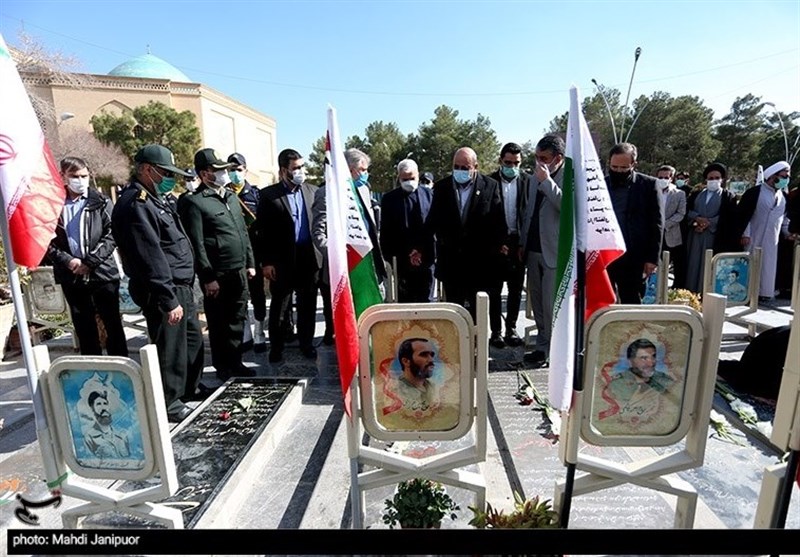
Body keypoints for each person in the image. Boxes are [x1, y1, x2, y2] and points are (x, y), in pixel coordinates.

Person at [112, 144, 203, 423]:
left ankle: (190, 388)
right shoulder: (136, 203)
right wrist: (167, 298)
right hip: (164, 289)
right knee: (170, 348)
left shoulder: (155, 198)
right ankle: (170, 402)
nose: (170, 178)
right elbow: (149, 255)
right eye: (165, 172)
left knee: (190, 341)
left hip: (181, 285)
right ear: (146, 170)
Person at [179, 148, 256, 380]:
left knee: (237, 318)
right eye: (218, 170)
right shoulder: (195, 202)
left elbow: (242, 233)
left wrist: (250, 262)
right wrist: (208, 278)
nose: (224, 173)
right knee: (219, 322)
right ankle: (223, 367)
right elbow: (197, 243)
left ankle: (236, 362)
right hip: (217, 274)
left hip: (239, 270)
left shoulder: (230, 197)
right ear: (205, 174)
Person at [45, 156, 128, 357]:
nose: (80, 181)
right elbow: (45, 239)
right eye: (75, 176)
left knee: (112, 324)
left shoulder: (100, 201)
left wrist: (90, 262)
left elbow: (113, 233)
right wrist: (68, 261)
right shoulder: (53, 204)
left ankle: (121, 367)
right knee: (84, 326)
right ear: (63, 176)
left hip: (102, 273)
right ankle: (93, 366)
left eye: (84, 176)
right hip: (71, 275)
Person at [312, 148, 387, 345]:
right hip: (344, 270)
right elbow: (319, 234)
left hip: (368, 266)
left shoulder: (364, 189)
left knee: (372, 316)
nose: (365, 174)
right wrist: (338, 256)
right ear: (349, 170)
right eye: (362, 170)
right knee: (347, 326)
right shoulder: (326, 193)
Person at [427, 147, 506, 322]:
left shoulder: (490, 186)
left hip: (480, 264)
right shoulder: (442, 187)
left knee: (477, 315)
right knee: (454, 315)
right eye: (456, 166)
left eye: (465, 167)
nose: (460, 171)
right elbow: (433, 222)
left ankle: (476, 340)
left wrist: (496, 249)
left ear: (475, 167)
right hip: (451, 264)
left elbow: (498, 222)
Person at [257, 148, 321, 363]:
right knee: (280, 306)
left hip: (309, 257)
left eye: (302, 166)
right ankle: (276, 347)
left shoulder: (312, 191)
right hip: (281, 260)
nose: (300, 171)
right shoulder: (269, 195)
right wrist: (267, 262)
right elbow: (263, 232)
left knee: (307, 304)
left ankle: (306, 344)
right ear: (284, 170)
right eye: (295, 168)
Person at [519, 135, 564, 368]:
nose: (539, 162)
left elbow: (567, 207)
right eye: (536, 157)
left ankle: (554, 349)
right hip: (533, 249)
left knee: (550, 304)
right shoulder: (533, 178)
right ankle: (541, 347)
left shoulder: (570, 177)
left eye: (544, 158)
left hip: (554, 252)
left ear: (558, 158)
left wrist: (547, 182)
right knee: (536, 302)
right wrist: (523, 243)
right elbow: (529, 211)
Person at [604, 143, 663, 304]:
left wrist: (652, 259)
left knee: (632, 301)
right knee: (604, 303)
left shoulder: (649, 185)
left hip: (634, 257)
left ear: (633, 164)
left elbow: (657, 224)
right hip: (606, 255)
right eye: (614, 167)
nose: (618, 171)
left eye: (623, 168)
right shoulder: (600, 185)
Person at [488, 142, 530, 348]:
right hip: (496, 244)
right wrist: (497, 241)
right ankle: (496, 332)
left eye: (516, 163)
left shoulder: (528, 182)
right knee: (494, 290)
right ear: (500, 161)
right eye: (508, 162)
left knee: (515, 289)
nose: (512, 167)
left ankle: (511, 329)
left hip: (518, 243)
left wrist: (523, 243)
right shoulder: (489, 182)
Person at [227, 152, 269, 353]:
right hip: (234, 252)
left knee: (257, 293)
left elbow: (264, 226)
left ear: (245, 170)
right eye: (231, 170)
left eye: (238, 169)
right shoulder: (223, 193)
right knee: (238, 294)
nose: (235, 173)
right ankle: (245, 332)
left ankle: (259, 331)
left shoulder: (255, 195)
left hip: (255, 251)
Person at [737, 161, 794, 303]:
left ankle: (764, 293)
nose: (786, 179)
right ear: (773, 176)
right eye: (783, 176)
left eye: (787, 177)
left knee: (768, 266)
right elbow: (744, 215)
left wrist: (788, 233)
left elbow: (784, 219)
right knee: (750, 264)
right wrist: (745, 234)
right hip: (753, 236)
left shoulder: (783, 197)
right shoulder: (755, 193)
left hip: (772, 240)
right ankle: (746, 294)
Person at [379, 159, 435, 303]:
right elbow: (386, 233)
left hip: (426, 260)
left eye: (412, 178)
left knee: (426, 303)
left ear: (418, 175)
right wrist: (396, 258)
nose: (409, 182)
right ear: (399, 178)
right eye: (405, 179)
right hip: (402, 261)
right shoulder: (389, 199)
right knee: (405, 304)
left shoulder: (430, 196)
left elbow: (433, 227)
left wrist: (420, 251)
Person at [684, 162, 739, 294]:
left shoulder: (728, 196)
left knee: (709, 265)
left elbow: (728, 217)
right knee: (693, 264)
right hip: (695, 235)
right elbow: (687, 211)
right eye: (711, 178)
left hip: (715, 237)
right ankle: (691, 293)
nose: (713, 180)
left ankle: (707, 293)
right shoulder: (697, 194)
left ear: (722, 179)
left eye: (717, 178)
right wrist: (697, 220)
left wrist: (709, 223)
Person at [656, 165, 687, 289]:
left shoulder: (679, 194)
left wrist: (665, 224)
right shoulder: (651, 192)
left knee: (676, 266)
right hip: (654, 235)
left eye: (666, 177)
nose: (663, 180)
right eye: (660, 177)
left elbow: (681, 213)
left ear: (671, 178)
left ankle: (674, 291)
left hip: (672, 235)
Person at [395, 337, 439, 411]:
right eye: (424, 355)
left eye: (431, 355)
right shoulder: (395, 391)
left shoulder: (434, 388)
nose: (431, 360)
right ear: (406, 361)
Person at [83, 390, 130, 459]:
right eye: (98, 404)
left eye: (105, 403)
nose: (103, 408)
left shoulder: (122, 434)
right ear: (92, 408)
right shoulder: (89, 437)